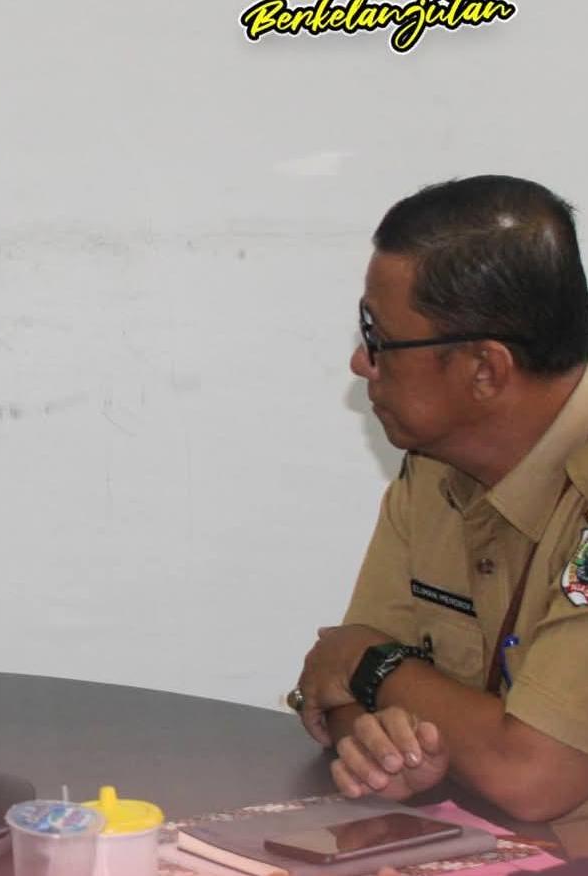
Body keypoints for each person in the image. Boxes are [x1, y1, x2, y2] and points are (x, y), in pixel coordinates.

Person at [291, 175, 588, 853]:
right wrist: (377, 735)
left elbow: (533, 775)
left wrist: (368, 663)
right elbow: (338, 690)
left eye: (379, 338)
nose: (360, 362)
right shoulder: (435, 465)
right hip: (482, 846)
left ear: (485, 369)